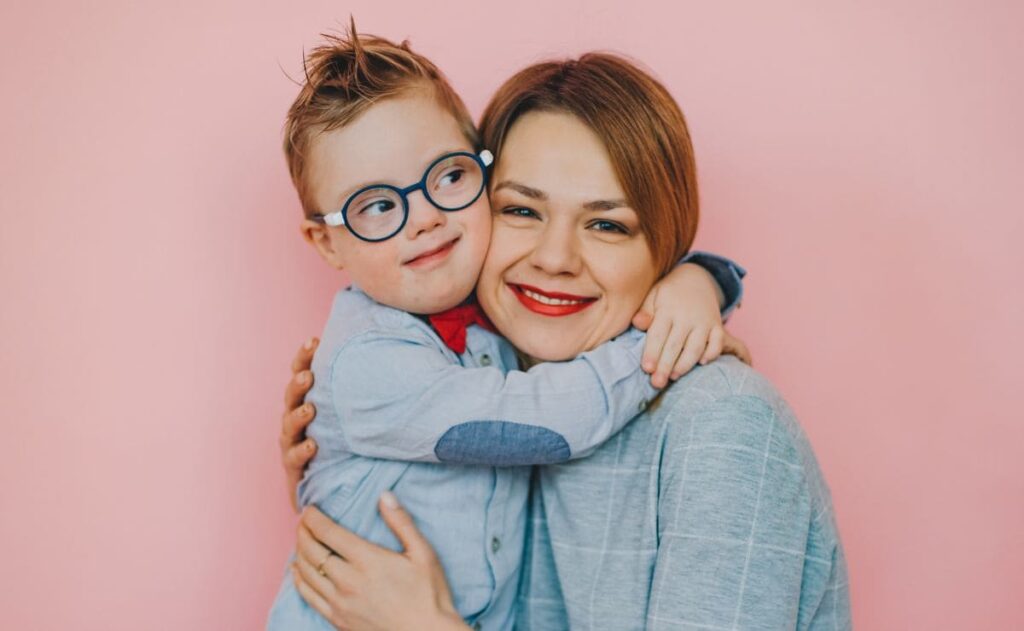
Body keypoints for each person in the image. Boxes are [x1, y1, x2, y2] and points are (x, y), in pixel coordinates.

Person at [280, 52, 850, 630]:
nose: (554, 259)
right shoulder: (483, 372)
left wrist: (696, 290)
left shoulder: (723, 426)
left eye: (607, 224)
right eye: (522, 209)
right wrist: (334, 473)